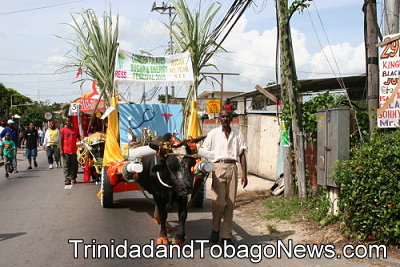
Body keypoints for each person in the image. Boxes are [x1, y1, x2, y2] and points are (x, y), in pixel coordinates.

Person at [202, 108, 247, 245]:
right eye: (223, 117)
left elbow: (242, 154)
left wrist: (244, 174)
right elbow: (204, 150)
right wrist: (207, 166)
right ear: (219, 118)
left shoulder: (238, 134)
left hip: (233, 168)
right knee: (219, 202)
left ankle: (226, 236)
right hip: (218, 168)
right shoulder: (213, 134)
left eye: (228, 116)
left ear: (232, 118)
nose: (225, 119)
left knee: (230, 203)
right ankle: (215, 229)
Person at [60, 117, 80, 185]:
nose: (68, 122)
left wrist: (82, 144)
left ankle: (73, 177)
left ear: (71, 121)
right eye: (67, 121)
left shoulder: (75, 129)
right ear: (65, 122)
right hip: (66, 150)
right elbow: (60, 140)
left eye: (69, 121)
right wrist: (61, 150)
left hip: (74, 150)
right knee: (66, 165)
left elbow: (79, 137)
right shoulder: (62, 130)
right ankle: (67, 179)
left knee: (74, 165)